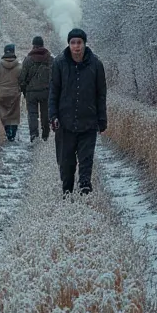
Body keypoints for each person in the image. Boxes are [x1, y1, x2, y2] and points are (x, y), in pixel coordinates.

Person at [49, 27, 107, 195]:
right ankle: (67, 191)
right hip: (65, 122)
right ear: (69, 44)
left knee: (86, 159)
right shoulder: (59, 63)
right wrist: (53, 116)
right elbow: (54, 91)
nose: (76, 46)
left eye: (79, 42)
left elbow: (101, 93)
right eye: (73, 42)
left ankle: (85, 188)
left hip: (88, 120)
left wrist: (102, 119)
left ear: (84, 44)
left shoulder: (96, 64)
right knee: (66, 162)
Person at [19, 35, 52, 142]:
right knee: (45, 113)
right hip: (46, 91)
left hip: (31, 92)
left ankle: (34, 134)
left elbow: (22, 78)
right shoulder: (50, 59)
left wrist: (24, 91)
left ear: (33, 45)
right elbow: (54, 77)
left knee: (32, 114)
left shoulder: (28, 59)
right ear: (43, 45)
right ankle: (45, 134)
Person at [0, 43, 22, 142]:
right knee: (14, 115)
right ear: (13, 52)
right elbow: (23, 81)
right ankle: (12, 135)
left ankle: (8, 133)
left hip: (1, 94)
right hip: (14, 94)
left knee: (4, 115)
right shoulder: (19, 67)